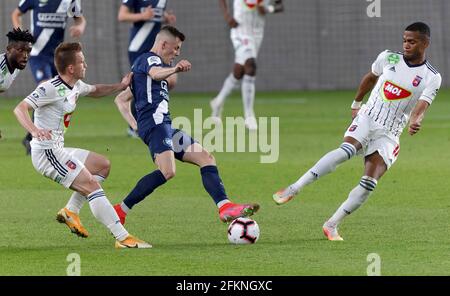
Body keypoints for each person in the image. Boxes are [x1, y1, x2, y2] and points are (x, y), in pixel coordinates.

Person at [273, 22, 441, 241]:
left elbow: (421, 107)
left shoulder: (431, 76)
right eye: (404, 40)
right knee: (346, 150)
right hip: (368, 117)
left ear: (425, 43)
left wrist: (416, 120)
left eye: (412, 41)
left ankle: (332, 225)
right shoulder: (388, 58)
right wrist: (356, 102)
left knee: (369, 184)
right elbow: (370, 78)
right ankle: (293, 189)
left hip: (389, 133)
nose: (406, 45)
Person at [113, 26, 259, 225]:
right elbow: (155, 74)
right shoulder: (150, 60)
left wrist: (135, 125)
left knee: (205, 157)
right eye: (176, 48)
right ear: (164, 44)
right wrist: (175, 69)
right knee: (167, 171)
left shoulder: (144, 72)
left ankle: (225, 206)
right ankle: (120, 210)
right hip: (156, 126)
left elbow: (121, 100)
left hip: (165, 126)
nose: (177, 53)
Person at [13, 42, 151, 248]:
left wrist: (120, 86)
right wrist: (33, 131)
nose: (85, 65)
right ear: (71, 68)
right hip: (46, 153)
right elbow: (20, 108)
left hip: (58, 149)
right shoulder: (50, 88)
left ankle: (71, 211)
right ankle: (123, 238)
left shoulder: (75, 86)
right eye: (82, 62)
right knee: (92, 186)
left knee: (102, 165)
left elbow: (95, 90)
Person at [11, 0, 87, 154]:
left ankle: (32, 137)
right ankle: (34, 136)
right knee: (45, 88)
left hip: (58, 57)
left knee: (57, 96)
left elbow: (79, 18)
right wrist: (21, 35)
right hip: (38, 54)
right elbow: (16, 13)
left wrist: (80, 26)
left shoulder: (69, 1)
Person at [210, 0, 283, 131]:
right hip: (240, 30)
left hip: (257, 32)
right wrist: (227, 16)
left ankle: (218, 102)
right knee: (251, 65)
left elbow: (280, 6)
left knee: (239, 71)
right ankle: (249, 115)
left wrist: (268, 9)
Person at [118, 0, 176, 138]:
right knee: (141, 85)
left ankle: (154, 119)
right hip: (139, 47)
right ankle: (135, 126)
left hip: (158, 49)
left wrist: (166, 17)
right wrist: (142, 16)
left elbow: (157, 15)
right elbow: (122, 16)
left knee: (170, 80)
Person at [1, 28, 34, 139]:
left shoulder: (16, 66)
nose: (25, 55)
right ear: (9, 49)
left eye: (28, 51)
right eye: (20, 50)